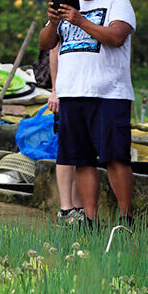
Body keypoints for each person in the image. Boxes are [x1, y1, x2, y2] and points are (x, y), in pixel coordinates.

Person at [38, 0, 135, 226]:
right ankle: (89, 220)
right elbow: (46, 44)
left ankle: (125, 219)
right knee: (81, 160)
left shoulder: (118, 2)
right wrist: (55, 21)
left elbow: (116, 37)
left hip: (109, 94)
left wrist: (80, 19)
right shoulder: (67, 5)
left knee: (115, 158)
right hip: (72, 94)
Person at [47, 48, 84, 225]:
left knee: (83, 152)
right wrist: (56, 90)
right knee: (67, 149)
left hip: (91, 91)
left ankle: (79, 207)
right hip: (67, 91)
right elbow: (54, 51)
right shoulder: (62, 20)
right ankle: (66, 208)